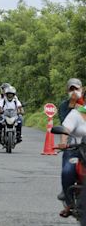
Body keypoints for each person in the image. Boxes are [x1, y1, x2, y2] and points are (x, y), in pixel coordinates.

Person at [57, 78, 84, 216]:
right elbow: (65, 126)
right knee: (67, 171)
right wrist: (72, 104)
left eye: (77, 89)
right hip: (74, 147)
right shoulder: (65, 106)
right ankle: (69, 203)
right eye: (71, 89)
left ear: (82, 90)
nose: (74, 92)